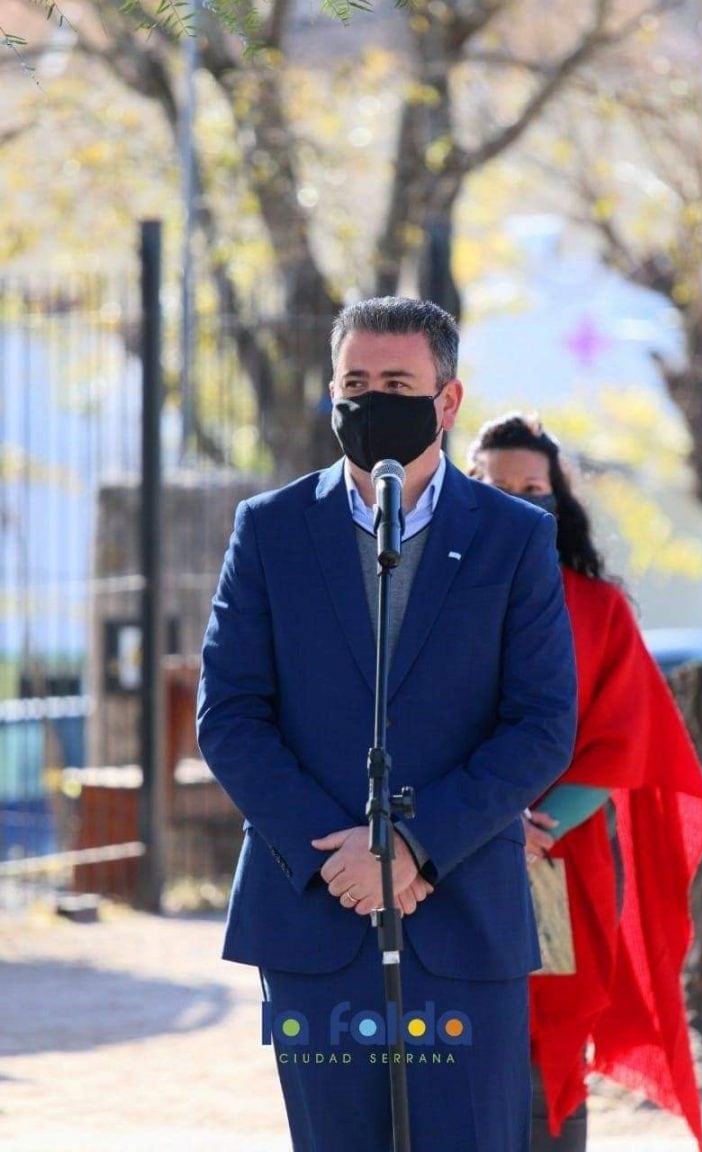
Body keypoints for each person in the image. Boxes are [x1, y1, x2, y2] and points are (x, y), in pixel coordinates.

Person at [196, 298, 577, 1152]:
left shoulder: (514, 540)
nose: (372, 401)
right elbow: (230, 715)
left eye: (396, 383)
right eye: (354, 383)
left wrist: (412, 847)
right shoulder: (270, 530)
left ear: (446, 401)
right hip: (315, 915)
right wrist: (340, 857)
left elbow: (543, 722)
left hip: (462, 918)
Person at [468, 412, 702, 1152]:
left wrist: (535, 830)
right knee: (451, 1029)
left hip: (555, 858)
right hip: (445, 846)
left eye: (532, 487)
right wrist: (474, 822)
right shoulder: (429, 604)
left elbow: (626, 738)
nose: (516, 498)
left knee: (550, 1032)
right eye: (494, 486)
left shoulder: (599, 609)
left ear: (558, 497)